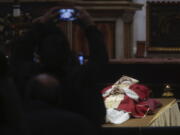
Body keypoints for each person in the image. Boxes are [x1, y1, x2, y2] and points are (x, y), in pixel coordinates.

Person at [9, 5, 108, 130]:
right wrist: (89, 26)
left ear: (39, 53)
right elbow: (99, 59)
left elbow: (18, 57)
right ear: (68, 51)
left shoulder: (30, 77)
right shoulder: (79, 79)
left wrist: (39, 27)